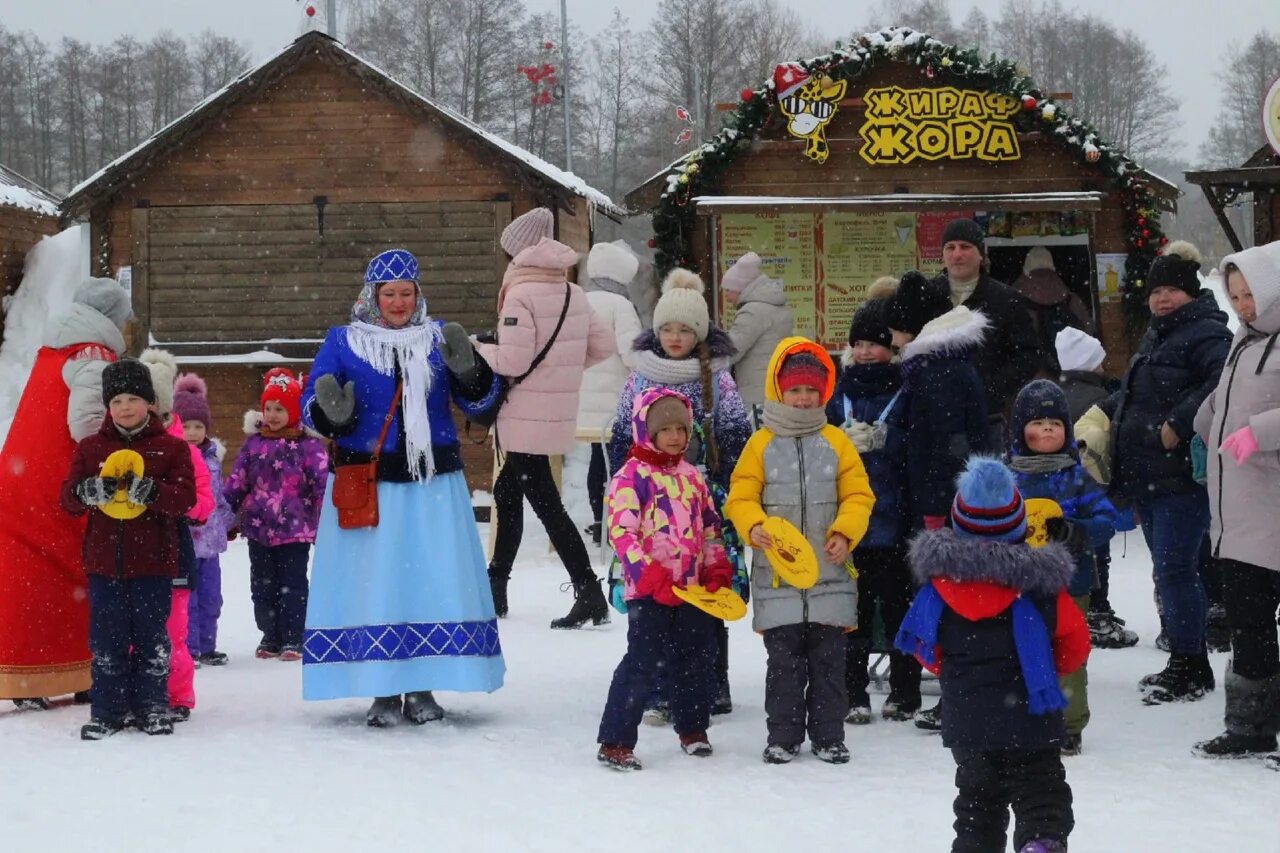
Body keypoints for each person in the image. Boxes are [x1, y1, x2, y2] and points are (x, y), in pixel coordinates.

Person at [302, 248, 506, 726]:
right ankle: (379, 689)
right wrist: (332, 413)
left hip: (432, 482)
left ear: (418, 294)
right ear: (371, 296)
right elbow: (311, 402)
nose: (398, 303)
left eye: (406, 293)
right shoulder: (343, 340)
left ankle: (421, 685)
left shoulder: (439, 338)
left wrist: (471, 372)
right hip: (368, 485)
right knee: (375, 585)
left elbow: (481, 406)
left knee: (430, 580)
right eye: (388, 294)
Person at [894, 457, 1090, 853]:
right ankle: (1040, 842)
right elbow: (1075, 643)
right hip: (1032, 718)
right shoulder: (1042, 588)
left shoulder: (937, 592)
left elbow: (926, 651)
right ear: (1019, 525)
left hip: (969, 723)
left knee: (977, 808)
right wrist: (1045, 672)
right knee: (1041, 794)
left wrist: (957, 673)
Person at [609, 267, 753, 717]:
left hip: (702, 498)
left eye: (684, 330)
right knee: (658, 591)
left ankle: (713, 679)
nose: (674, 337)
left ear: (700, 334)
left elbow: (735, 435)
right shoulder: (640, 376)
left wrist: (726, 491)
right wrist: (624, 487)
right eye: (667, 328)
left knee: (711, 587)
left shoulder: (718, 377)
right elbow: (619, 437)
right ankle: (658, 683)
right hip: (650, 502)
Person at [725, 338, 875, 764]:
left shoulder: (837, 441)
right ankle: (784, 736)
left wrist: (846, 533)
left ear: (824, 391)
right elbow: (741, 495)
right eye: (795, 389)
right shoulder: (760, 444)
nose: (804, 397)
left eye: (812, 389)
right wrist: (752, 526)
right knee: (784, 667)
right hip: (778, 576)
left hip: (831, 574)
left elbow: (859, 496)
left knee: (829, 666)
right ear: (779, 390)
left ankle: (829, 736)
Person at [1100, 240, 1231, 704]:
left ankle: (1188, 664)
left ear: (1191, 292)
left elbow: (1221, 384)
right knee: (1169, 570)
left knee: (1177, 570)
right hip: (1150, 475)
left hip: (1181, 478)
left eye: (1172, 289)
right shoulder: (1158, 334)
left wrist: (1179, 421)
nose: (1162, 298)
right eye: (1156, 291)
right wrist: (1101, 414)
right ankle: (1188, 661)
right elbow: (1137, 395)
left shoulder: (1208, 334)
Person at [477, 210, 615, 628]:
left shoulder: (520, 294)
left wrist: (478, 348)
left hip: (522, 414)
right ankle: (495, 587)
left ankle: (589, 590)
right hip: (553, 413)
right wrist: (559, 372)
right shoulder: (573, 292)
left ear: (519, 252)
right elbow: (603, 346)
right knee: (506, 493)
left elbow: (513, 359)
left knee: (547, 505)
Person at [0, 278, 129, 710]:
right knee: (76, 569)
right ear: (110, 318)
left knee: (26, 574)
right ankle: (81, 670)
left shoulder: (54, 350)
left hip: (21, 473)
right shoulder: (94, 356)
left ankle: (25, 676)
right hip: (60, 477)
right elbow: (86, 424)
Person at [595, 388, 734, 770]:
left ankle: (692, 728)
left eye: (681, 428)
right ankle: (615, 740)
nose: (675, 436)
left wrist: (716, 566)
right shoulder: (631, 477)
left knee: (697, 659)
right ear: (646, 431)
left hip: (692, 590)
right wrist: (650, 575)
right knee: (643, 662)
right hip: (650, 592)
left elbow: (709, 526)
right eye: (666, 429)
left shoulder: (693, 477)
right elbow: (622, 534)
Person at [60, 358, 197, 739]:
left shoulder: (171, 449)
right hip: (104, 564)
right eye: (117, 400)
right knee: (107, 641)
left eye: (133, 398)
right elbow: (67, 498)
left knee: (153, 639)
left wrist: (154, 492)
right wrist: (87, 491)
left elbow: (186, 497)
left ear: (150, 402)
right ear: (107, 406)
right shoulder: (91, 448)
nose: (124, 407)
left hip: (154, 564)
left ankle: (152, 707)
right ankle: (107, 711)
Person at [885, 270, 992, 732]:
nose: (889, 338)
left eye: (894, 328)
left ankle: (959, 696)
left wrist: (930, 504)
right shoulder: (944, 363)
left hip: (940, 503)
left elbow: (943, 447)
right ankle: (959, 692)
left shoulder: (934, 371)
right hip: (947, 498)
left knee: (948, 597)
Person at [1192, 240, 1280, 762]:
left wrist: (1260, 431)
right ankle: (1250, 728)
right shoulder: (1242, 343)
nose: (1244, 305)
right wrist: (1203, 418)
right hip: (1239, 514)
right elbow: (1226, 401)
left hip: (1272, 504)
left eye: (1251, 294)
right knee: (1249, 623)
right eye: (1236, 296)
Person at [826, 279, 920, 723]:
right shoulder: (838, 391)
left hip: (896, 520)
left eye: (876, 344)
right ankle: (854, 693)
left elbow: (921, 445)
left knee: (900, 609)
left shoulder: (907, 387)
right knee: (854, 613)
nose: (866, 352)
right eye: (859, 344)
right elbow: (821, 437)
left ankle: (905, 692)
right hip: (850, 524)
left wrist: (890, 439)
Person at [1008, 379, 1119, 756]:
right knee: (1018, 650)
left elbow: (1107, 520)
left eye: (1055, 424)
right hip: (1016, 584)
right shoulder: (1007, 477)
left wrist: (1078, 532)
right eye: (1038, 423)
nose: (1047, 431)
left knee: (1069, 654)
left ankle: (1069, 724)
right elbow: (982, 519)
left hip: (1070, 583)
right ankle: (1022, 716)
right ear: (1021, 429)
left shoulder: (1076, 476)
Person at [225, 368, 329, 662]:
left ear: (294, 411)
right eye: (268, 408)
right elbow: (237, 481)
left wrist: (326, 523)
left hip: (295, 530)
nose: (272, 414)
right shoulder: (254, 444)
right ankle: (270, 633)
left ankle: (294, 636)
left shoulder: (308, 447)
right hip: (259, 529)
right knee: (262, 585)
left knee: (293, 584)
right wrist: (223, 513)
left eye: (280, 408)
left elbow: (322, 485)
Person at [140, 348, 214, 722]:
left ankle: (176, 696)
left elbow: (203, 502)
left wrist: (173, 502)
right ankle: (140, 695)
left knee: (173, 632)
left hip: (172, 552)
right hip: (132, 555)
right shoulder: (119, 447)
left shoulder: (184, 449)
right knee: (134, 632)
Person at [1054, 327, 1139, 650]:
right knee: (1094, 550)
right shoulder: (1100, 399)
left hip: (1060, 490)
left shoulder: (1054, 393)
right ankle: (1097, 612)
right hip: (1092, 488)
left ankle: (1082, 610)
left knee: (1070, 550)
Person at [932, 218, 1044, 446]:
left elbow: (1028, 355)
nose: (957, 254)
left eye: (965, 247)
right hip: (933, 421)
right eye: (950, 248)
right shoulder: (927, 296)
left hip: (987, 420)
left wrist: (990, 389)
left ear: (981, 254)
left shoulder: (1005, 299)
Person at [575, 241, 643, 546]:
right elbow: (632, 354)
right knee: (616, 461)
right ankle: (618, 520)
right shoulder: (621, 306)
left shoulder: (577, 301)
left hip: (580, 402)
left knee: (595, 460)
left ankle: (599, 520)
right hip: (613, 403)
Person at [172, 372, 235, 667]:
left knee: (212, 598)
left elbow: (218, 496)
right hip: (185, 542)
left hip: (210, 543)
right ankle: (190, 648)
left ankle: (208, 645)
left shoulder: (211, 458)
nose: (193, 432)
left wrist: (230, 521)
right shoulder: (175, 458)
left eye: (198, 426)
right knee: (189, 600)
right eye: (186, 426)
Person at [722, 251, 795, 413]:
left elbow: (731, 351)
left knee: (757, 436)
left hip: (756, 392)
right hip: (776, 386)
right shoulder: (776, 305)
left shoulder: (752, 312)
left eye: (728, 290)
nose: (726, 296)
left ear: (740, 288)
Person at [1014, 246, 1095, 374]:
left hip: (1029, 377)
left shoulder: (1014, 298)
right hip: (1066, 376)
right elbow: (1089, 330)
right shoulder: (1070, 299)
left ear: (1026, 265)